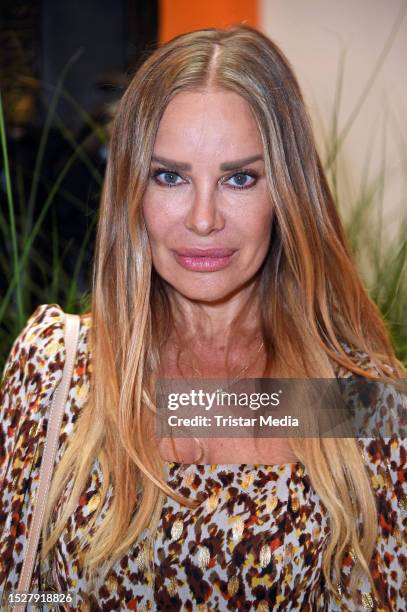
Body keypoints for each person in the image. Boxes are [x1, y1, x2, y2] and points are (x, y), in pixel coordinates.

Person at [0, 25, 406, 611]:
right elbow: (21, 591)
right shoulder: (54, 372)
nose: (203, 218)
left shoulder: (354, 399)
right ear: (131, 191)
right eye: (171, 176)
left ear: (287, 193)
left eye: (240, 178)